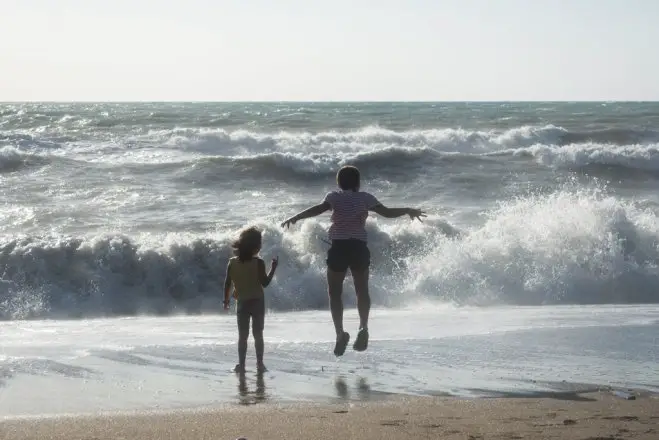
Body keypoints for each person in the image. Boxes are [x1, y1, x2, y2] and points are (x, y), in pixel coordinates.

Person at [280, 165, 425, 356]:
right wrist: (408, 210)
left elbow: (317, 209)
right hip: (358, 247)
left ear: (339, 182)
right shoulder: (366, 198)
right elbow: (388, 213)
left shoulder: (333, 197)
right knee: (361, 290)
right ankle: (363, 327)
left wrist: (296, 216)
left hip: (339, 248)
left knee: (334, 293)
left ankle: (340, 334)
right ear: (358, 182)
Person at [224, 226, 278, 373]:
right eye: (259, 243)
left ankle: (241, 365)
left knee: (243, 336)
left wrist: (226, 299)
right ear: (255, 246)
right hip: (257, 302)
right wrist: (273, 268)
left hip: (242, 303)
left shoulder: (232, 262)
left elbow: (228, 283)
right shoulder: (258, 263)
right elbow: (265, 283)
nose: (261, 246)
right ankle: (260, 364)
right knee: (258, 334)